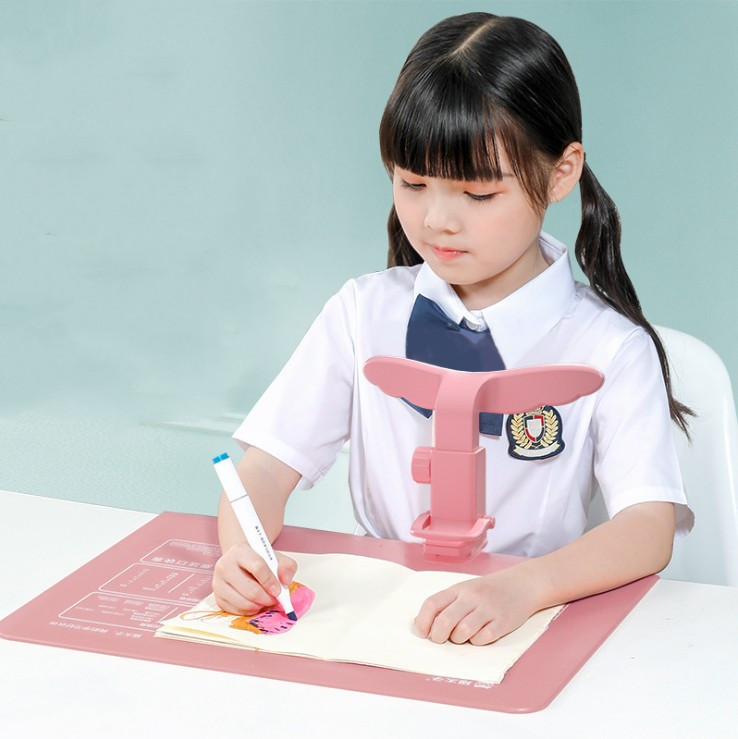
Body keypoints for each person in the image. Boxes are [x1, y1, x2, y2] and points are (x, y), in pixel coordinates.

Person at [212, 12, 694, 646]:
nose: (437, 220)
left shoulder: (609, 347)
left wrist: (525, 588)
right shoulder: (362, 313)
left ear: (561, 172)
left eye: (478, 194)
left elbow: (647, 527)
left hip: (527, 620)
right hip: (378, 618)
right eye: (412, 183)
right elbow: (265, 471)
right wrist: (242, 553)